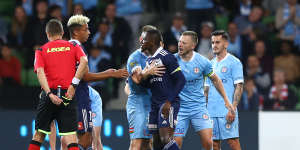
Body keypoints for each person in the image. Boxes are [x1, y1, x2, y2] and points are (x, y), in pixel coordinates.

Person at [59, 14, 128, 150]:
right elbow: (84, 77)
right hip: (79, 96)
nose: (89, 32)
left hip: (67, 97)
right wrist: (110, 73)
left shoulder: (65, 47)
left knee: (68, 139)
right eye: (86, 29)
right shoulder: (77, 48)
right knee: (85, 140)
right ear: (76, 32)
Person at [28, 19, 88, 150]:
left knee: (38, 135)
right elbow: (84, 60)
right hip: (68, 95)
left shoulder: (41, 50)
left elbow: (39, 72)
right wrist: (74, 85)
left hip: (49, 95)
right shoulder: (73, 46)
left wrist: (49, 93)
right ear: (62, 32)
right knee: (71, 137)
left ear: (47, 34)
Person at [173, 31, 234, 150]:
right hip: (179, 108)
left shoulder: (202, 62)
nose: (180, 45)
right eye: (179, 42)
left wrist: (226, 100)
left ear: (192, 46)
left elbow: (216, 80)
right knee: (176, 143)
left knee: (208, 142)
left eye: (184, 43)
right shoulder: (172, 61)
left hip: (198, 107)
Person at [137, 29, 186, 150]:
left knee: (166, 139)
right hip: (155, 105)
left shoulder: (166, 56)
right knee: (157, 143)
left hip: (167, 103)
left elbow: (181, 80)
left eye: (144, 39)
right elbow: (148, 84)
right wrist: (145, 75)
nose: (141, 42)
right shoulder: (149, 60)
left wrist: (169, 102)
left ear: (152, 41)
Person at [125, 25, 165, 150]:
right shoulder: (135, 57)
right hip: (138, 103)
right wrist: (148, 72)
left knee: (148, 143)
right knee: (137, 143)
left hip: (154, 104)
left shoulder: (160, 57)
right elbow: (136, 79)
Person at [205, 30, 244, 150]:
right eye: (212, 42)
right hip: (211, 111)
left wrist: (233, 108)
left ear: (226, 44)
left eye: (217, 42)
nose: (214, 45)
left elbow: (239, 87)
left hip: (226, 111)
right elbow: (206, 89)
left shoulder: (234, 62)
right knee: (214, 144)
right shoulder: (209, 64)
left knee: (233, 142)